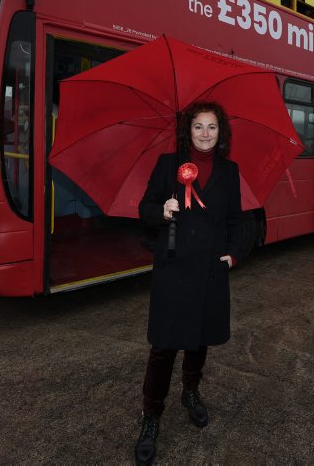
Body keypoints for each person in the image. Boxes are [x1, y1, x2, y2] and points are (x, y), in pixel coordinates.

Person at [133, 101, 243, 465]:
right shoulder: (168, 164)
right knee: (164, 347)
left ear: (221, 132)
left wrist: (233, 254)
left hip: (210, 271)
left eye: (212, 127)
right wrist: (161, 211)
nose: (205, 134)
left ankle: (190, 391)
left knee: (200, 339)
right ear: (188, 130)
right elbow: (144, 208)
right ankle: (151, 415)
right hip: (174, 270)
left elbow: (235, 219)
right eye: (198, 126)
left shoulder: (230, 171)